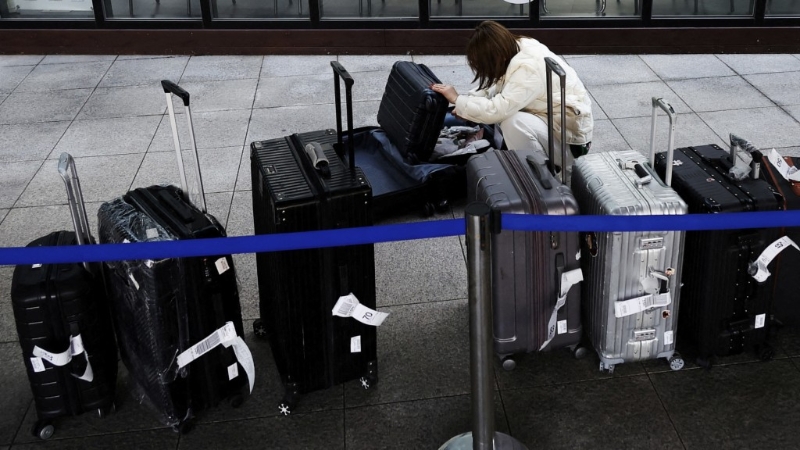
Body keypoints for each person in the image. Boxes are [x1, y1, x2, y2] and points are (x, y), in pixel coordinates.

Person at [431, 20, 593, 181]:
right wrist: (466, 103)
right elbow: (494, 88)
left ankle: (544, 180)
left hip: (570, 142)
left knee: (512, 122)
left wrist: (457, 99)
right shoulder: (514, 48)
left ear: (498, 57)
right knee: (506, 117)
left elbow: (497, 110)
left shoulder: (528, 68)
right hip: (553, 124)